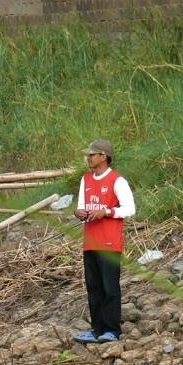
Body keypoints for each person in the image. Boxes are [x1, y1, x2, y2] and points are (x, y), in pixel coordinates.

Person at [72, 139, 135, 344]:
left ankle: (112, 330)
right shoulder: (85, 180)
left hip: (109, 242)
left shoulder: (118, 181)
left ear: (103, 157)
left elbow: (129, 209)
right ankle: (97, 328)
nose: (88, 158)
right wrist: (78, 212)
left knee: (110, 286)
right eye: (88, 154)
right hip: (90, 242)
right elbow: (82, 206)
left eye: (92, 154)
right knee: (93, 287)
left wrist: (106, 211)